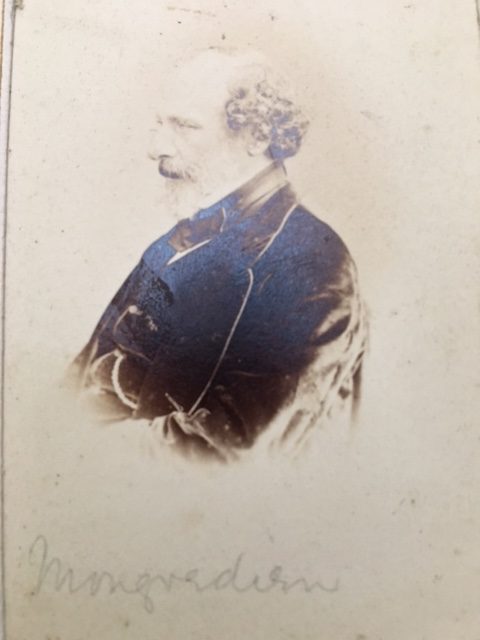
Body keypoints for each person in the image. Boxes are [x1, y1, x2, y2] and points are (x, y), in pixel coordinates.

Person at [70, 49, 367, 462]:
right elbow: (86, 373)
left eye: (185, 126)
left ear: (257, 137)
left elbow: (231, 456)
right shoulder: (179, 240)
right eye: (160, 124)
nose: (156, 149)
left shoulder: (312, 265)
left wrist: (80, 451)